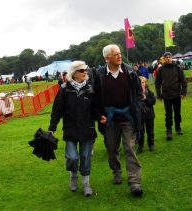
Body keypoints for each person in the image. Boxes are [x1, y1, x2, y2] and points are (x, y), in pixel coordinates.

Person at [94, 44, 143, 196]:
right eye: (115, 54)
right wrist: (98, 115)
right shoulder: (99, 75)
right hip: (109, 120)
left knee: (129, 148)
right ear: (107, 58)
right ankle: (116, 172)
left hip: (128, 117)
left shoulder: (130, 72)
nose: (119, 56)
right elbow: (94, 99)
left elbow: (138, 94)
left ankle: (135, 182)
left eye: (120, 53)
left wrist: (137, 110)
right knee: (111, 148)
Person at [48, 61, 99, 197]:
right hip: (70, 129)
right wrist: (52, 128)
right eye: (82, 71)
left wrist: (100, 118)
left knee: (85, 156)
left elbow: (94, 109)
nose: (85, 73)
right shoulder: (64, 89)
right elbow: (57, 111)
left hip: (87, 129)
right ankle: (73, 176)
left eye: (85, 70)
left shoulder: (90, 89)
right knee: (72, 157)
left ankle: (86, 184)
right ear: (74, 73)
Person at [155, 52, 187, 140]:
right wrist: (159, 95)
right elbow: (157, 83)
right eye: (166, 57)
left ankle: (178, 127)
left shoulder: (177, 68)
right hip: (167, 96)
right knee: (168, 114)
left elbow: (183, 81)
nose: (168, 58)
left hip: (176, 94)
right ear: (164, 59)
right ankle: (168, 130)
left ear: (172, 58)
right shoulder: (160, 70)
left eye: (169, 57)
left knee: (177, 113)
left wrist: (183, 93)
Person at [137, 76, 156, 153]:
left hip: (149, 115)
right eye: (139, 83)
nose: (141, 84)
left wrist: (146, 99)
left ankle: (151, 144)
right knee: (140, 131)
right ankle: (140, 145)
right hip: (140, 116)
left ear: (145, 83)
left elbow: (153, 102)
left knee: (150, 131)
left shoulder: (150, 92)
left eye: (142, 82)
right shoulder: (135, 93)